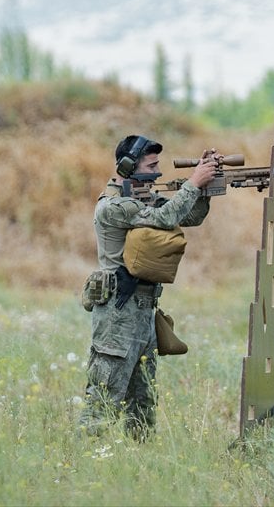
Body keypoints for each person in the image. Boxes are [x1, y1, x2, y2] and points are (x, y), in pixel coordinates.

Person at [78, 134, 220, 440]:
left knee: (143, 404)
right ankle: (84, 462)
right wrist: (193, 182)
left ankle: (138, 464)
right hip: (118, 312)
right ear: (128, 166)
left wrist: (204, 188)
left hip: (144, 311)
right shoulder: (114, 206)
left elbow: (190, 215)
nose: (156, 172)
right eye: (151, 164)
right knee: (104, 399)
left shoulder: (141, 199)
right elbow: (164, 217)